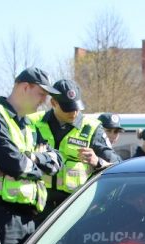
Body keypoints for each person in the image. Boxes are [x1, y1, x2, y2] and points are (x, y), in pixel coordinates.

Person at [0, 67, 61, 244]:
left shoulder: (29, 126)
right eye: (41, 94)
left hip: (29, 218)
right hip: (0, 216)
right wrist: (36, 168)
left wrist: (31, 158)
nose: (44, 101)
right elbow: (13, 163)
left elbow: (56, 161)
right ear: (25, 87)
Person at [31, 79, 117, 221]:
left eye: (77, 107)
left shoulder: (92, 128)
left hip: (74, 208)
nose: (74, 113)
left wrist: (97, 161)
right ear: (53, 103)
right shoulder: (34, 122)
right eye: (68, 108)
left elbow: (116, 164)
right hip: (38, 207)